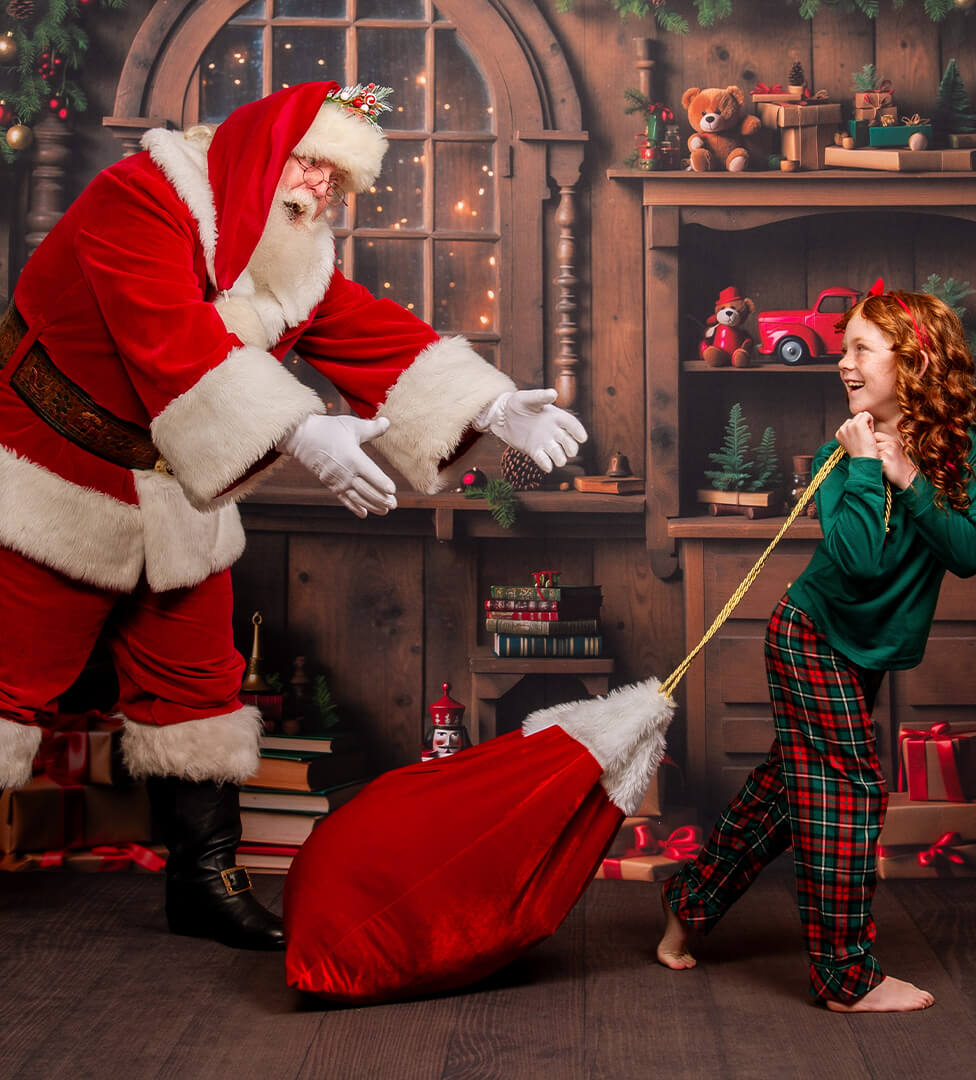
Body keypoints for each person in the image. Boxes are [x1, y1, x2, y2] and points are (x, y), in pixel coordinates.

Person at [0, 80, 586, 950]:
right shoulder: (139, 200)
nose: (318, 190)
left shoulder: (285, 250)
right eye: (309, 162)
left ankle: (205, 882)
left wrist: (490, 407)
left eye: (338, 180)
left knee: (197, 689)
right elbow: (170, 337)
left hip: (177, 490)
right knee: (9, 683)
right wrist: (306, 430)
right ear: (260, 150)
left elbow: (361, 327)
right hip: (56, 478)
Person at [656, 283, 976, 1012]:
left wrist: (907, 477)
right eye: (842, 349)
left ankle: (688, 906)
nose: (842, 363)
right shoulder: (836, 458)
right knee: (848, 790)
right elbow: (861, 563)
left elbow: (968, 552)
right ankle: (846, 977)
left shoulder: (966, 453)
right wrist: (869, 465)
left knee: (784, 797)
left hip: (866, 651)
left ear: (913, 361)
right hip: (811, 638)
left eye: (860, 349)